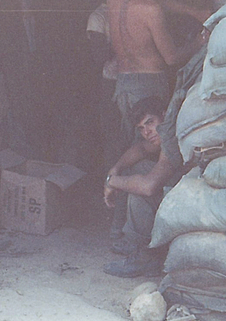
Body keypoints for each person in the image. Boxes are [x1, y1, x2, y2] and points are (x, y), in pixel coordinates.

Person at [107, 0, 210, 147]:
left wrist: (191, 11)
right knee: (154, 147)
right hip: (148, 84)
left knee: (133, 144)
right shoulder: (151, 10)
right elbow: (171, 58)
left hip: (123, 83)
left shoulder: (113, 4)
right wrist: (199, 42)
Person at [102, 96, 185, 277]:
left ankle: (144, 257)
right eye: (141, 128)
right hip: (180, 192)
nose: (147, 132)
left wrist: (111, 181)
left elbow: (148, 186)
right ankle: (138, 244)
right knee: (133, 170)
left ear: (164, 116)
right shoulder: (165, 132)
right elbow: (141, 149)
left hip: (187, 203)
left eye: (150, 123)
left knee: (138, 191)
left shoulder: (172, 138)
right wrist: (114, 170)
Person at [86, 1, 129, 239]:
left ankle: (121, 212)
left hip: (123, 82)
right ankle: (114, 207)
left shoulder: (108, 16)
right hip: (112, 83)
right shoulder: (99, 18)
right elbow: (99, 57)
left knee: (124, 145)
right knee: (115, 145)